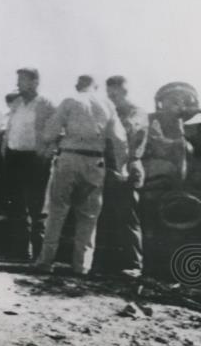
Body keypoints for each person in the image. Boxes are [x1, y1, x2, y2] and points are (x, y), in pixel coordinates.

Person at [34, 75, 128, 276]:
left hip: (69, 158)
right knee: (88, 216)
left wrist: (54, 139)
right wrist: (122, 167)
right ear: (96, 87)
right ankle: (81, 265)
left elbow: (49, 133)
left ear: (78, 85)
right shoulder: (107, 104)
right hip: (95, 161)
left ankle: (46, 261)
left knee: (57, 211)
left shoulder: (70, 100)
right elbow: (120, 139)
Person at [94, 75, 148, 275]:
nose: (112, 97)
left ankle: (134, 265)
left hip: (128, 167)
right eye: (109, 94)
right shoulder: (109, 111)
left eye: (115, 93)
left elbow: (129, 134)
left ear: (125, 91)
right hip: (107, 167)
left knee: (127, 218)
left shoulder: (137, 113)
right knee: (103, 216)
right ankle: (103, 263)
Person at [4, 68, 55, 259]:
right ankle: (20, 250)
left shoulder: (47, 104)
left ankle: (39, 252)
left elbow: (57, 132)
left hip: (35, 159)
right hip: (14, 157)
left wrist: (46, 154)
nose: (17, 84)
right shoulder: (17, 103)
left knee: (37, 205)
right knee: (16, 205)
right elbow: (10, 128)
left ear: (35, 82)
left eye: (22, 80)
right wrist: (5, 149)